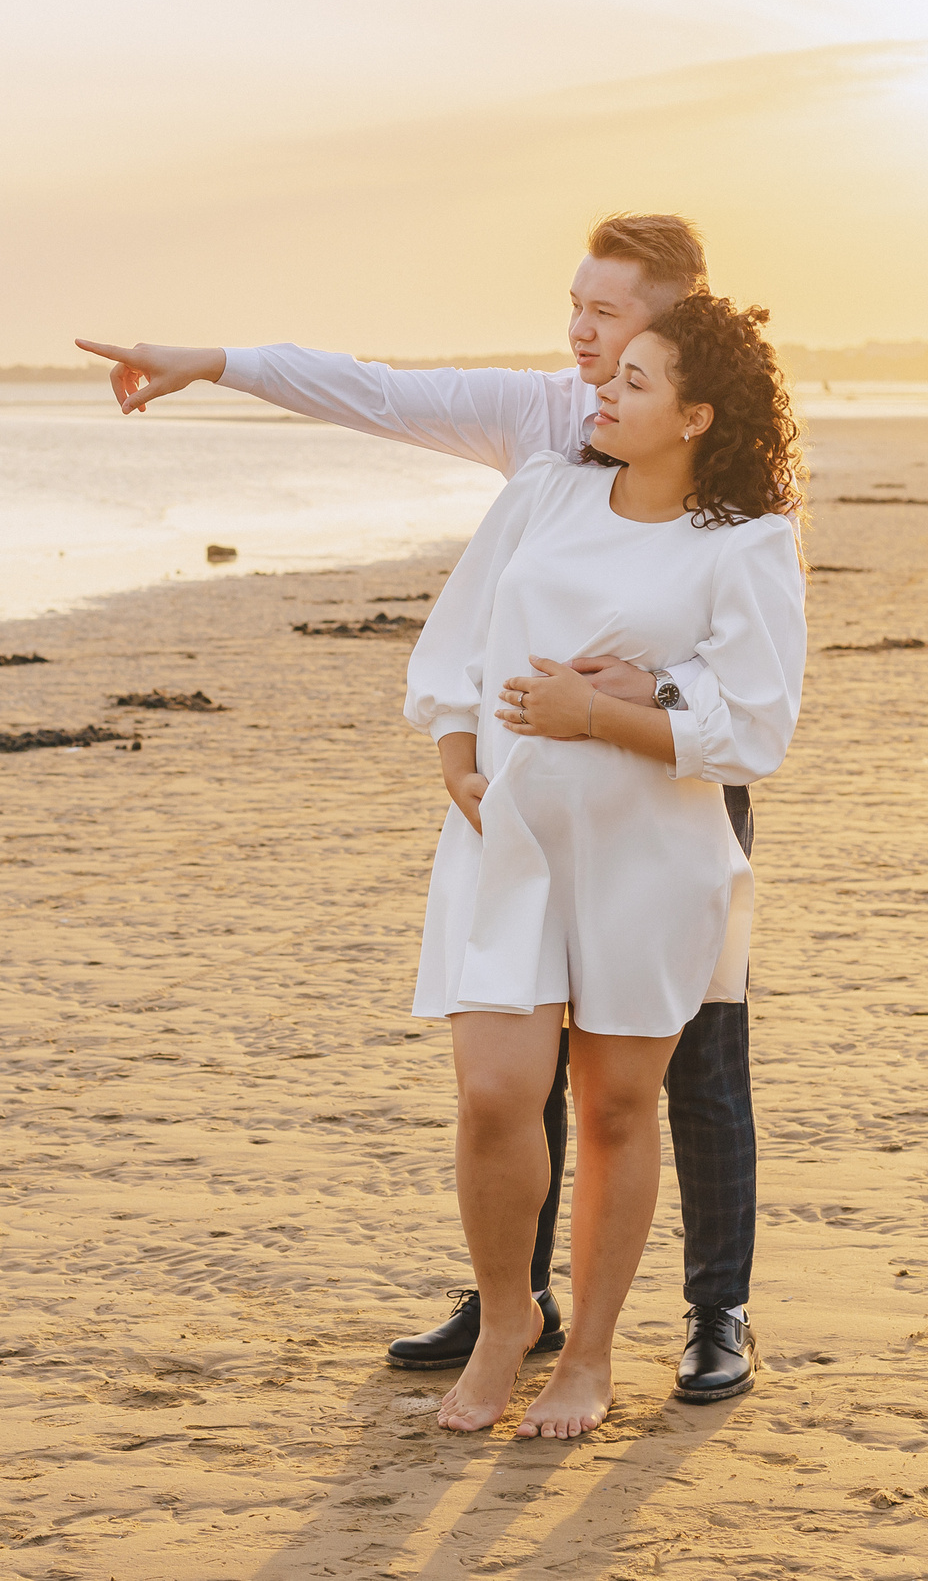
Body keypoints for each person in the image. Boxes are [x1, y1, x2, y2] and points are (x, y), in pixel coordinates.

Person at [75, 214, 765, 1406]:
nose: (581, 334)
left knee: (673, 1072)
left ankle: (715, 1310)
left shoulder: (734, 489)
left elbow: (745, 671)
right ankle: (519, 1302)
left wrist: (633, 697)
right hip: (526, 791)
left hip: (657, 786)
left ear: (677, 329)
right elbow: (378, 392)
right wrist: (217, 362)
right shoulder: (549, 428)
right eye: (576, 305)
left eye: (608, 315)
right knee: (514, 1067)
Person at [408, 291, 804, 1433]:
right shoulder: (545, 492)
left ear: (696, 416)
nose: (604, 392)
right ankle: (503, 1322)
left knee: (618, 1109)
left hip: (646, 855)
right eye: (608, 371)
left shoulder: (745, 542)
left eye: (635, 380)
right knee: (493, 1097)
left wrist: (604, 713)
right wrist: (452, 756)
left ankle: (589, 1354)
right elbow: (456, 637)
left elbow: (756, 727)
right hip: (507, 839)